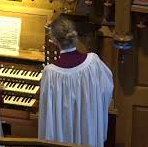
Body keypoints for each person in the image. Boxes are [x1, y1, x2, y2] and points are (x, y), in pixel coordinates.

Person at [38, 16, 114, 147]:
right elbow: (107, 90)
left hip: (61, 138)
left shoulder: (50, 73)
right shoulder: (93, 62)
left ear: (54, 40)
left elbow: (46, 112)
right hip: (87, 134)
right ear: (74, 35)